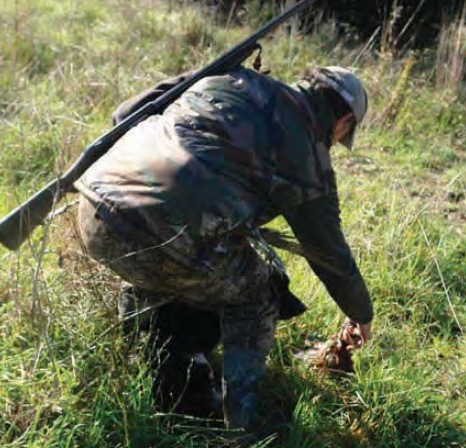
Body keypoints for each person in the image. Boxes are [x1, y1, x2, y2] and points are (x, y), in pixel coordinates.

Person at [75, 65, 373, 431]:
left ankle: (150, 371)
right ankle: (243, 423)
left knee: (179, 265)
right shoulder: (310, 160)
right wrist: (362, 314)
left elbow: (125, 114)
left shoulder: (227, 77)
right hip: (165, 241)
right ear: (342, 121)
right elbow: (330, 254)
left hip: (95, 210)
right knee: (260, 292)